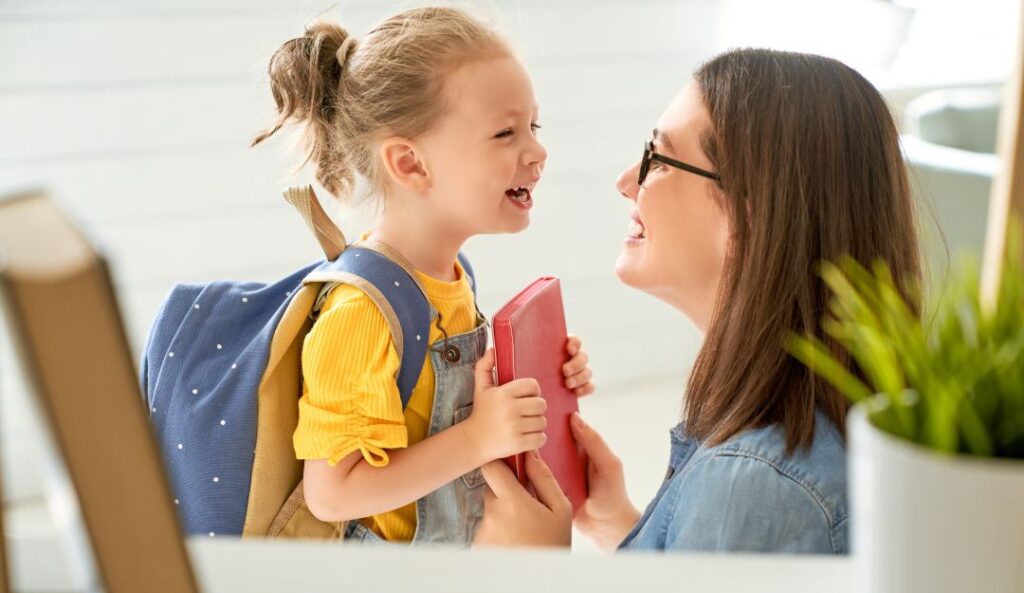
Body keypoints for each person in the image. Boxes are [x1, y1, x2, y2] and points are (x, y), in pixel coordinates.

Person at [473, 48, 921, 554]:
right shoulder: (781, 450)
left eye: (657, 160)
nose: (626, 183)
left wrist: (531, 565)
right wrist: (615, 522)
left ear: (750, 216)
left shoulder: (754, 487)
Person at [252, 7, 594, 545]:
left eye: (533, 126)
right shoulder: (360, 313)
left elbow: (431, 411)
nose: (537, 150)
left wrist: (536, 379)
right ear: (410, 164)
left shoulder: (454, 277)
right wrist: (479, 436)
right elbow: (333, 493)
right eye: (505, 132)